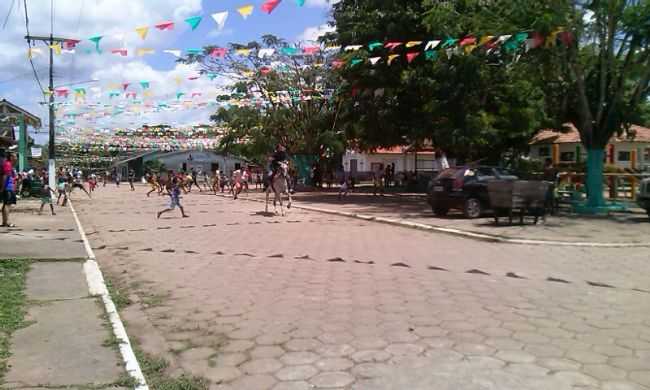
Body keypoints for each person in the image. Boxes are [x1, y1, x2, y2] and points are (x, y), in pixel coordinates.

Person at [1, 152, 17, 227]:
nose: (16, 158)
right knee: (7, 205)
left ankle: (4, 222)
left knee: (6, 204)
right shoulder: (8, 164)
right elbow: (5, 176)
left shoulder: (10, 165)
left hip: (9, 187)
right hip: (8, 187)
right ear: (11, 157)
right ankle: (6, 222)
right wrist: (3, 187)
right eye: (15, 156)